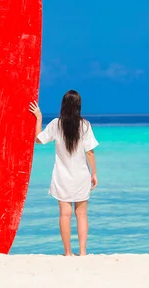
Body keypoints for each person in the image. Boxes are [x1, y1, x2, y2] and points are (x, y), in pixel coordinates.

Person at [28, 90, 98, 256]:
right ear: (79, 106)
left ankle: (67, 253)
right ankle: (82, 252)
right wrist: (94, 173)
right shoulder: (85, 125)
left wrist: (38, 117)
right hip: (81, 175)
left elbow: (38, 139)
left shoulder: (56, 124)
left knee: (64, 215)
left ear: (63, 105)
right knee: (81, 214)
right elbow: (89, 152)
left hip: (62, 176)